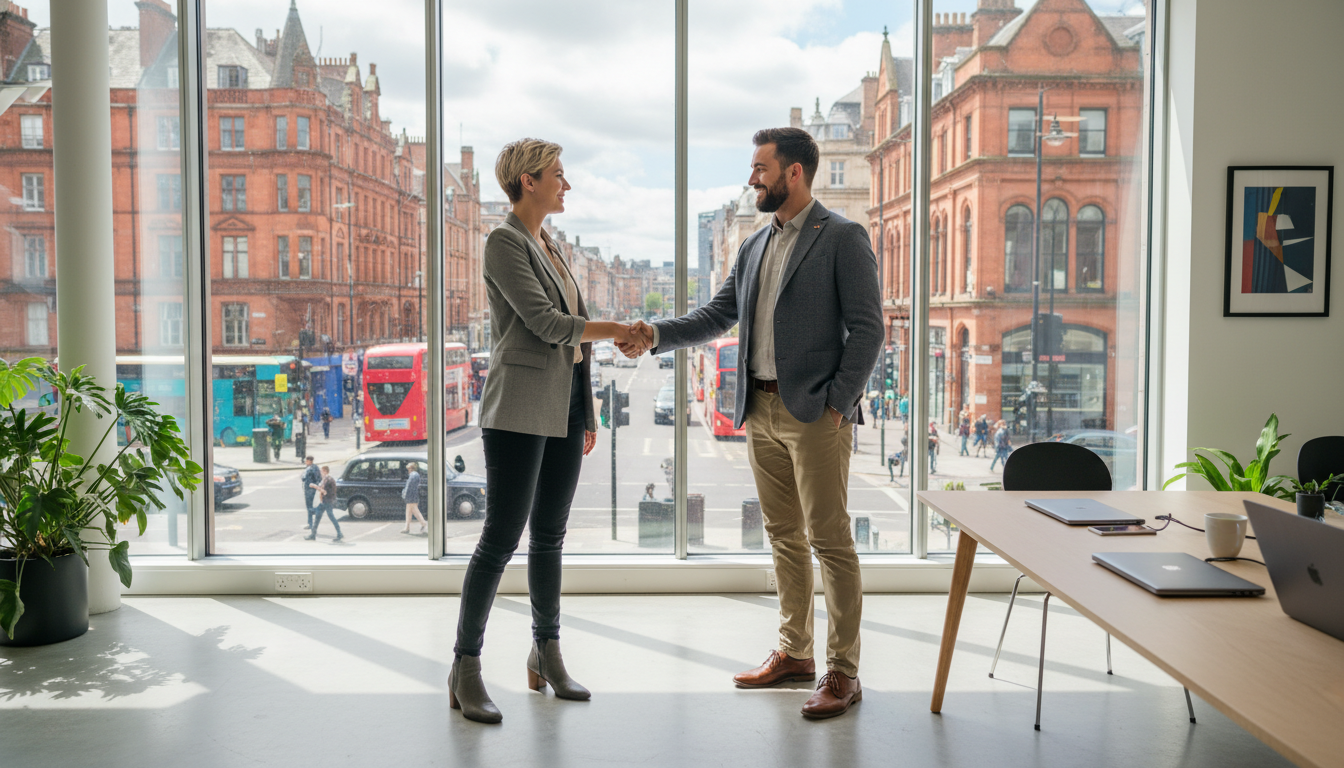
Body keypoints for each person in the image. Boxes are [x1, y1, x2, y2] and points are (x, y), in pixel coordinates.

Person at [619, 127, 882, 719]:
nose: (751, 178)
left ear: (794, 172)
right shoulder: (756, 244)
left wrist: (839, 403)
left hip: (815, 412)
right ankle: (796, 652)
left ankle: (843, 671)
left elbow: (869, 329)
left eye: (760, 168)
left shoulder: (842, 237)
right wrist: (656, 335)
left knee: (831, 543)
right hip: (758, 409)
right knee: (784, 537)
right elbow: (718, 314)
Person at [448, 138, 641, 724]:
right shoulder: (503, 242)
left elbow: (572, 344)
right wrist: (619, 329)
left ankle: (546, 651)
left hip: (562, 411)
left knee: (551, 536)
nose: (567, 184)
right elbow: (548, 323)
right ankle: (465, 666)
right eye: (558, 174)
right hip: (517, 409)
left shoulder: (549, 244)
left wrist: (585, 411)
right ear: (528, 181)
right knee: (500, 537)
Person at [306, 465, 342, 542]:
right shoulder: (326, 479)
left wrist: (314, 486)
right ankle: (313, 535)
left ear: (325, 471)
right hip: (324, 502)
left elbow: (324, 491)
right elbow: (321, 486)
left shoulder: (328, 480)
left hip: (327, 502)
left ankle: (339, 534)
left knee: (331, 517)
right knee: (318, 517)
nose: (320, 473)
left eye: (321, 471)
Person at [402, 462, 427, 535]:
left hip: (411, 496)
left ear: (411, 468)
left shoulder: (413, 475)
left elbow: (409, 487)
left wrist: (405, 495)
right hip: (413, 496)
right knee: (409, 512)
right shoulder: (415, 475)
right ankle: (407, 527)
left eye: (408, 469)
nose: (408, 470)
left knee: (414, 512)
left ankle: (423, 524)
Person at [300, 455, 321, 530]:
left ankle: (311, 523)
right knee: (309, 506)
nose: (305, 462)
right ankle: (310, 523)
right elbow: (319, 478)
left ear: (309, 461)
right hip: (311, 489)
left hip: (309, 489)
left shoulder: (310, 468)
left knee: (309, 507)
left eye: (306, 461)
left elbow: (304, 478)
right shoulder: (315, 467)